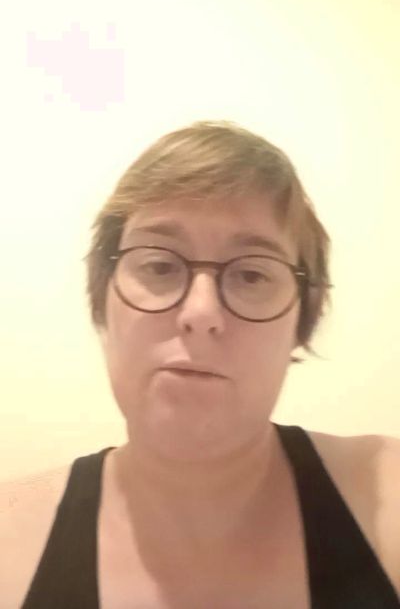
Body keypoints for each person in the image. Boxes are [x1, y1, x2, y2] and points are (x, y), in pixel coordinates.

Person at [1, 120, 399, 609]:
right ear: (103, 301)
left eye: (251, 275)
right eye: (160, 266)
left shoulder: (388, 497)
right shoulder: (8, 543)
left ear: (302, 320)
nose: (201, 312)